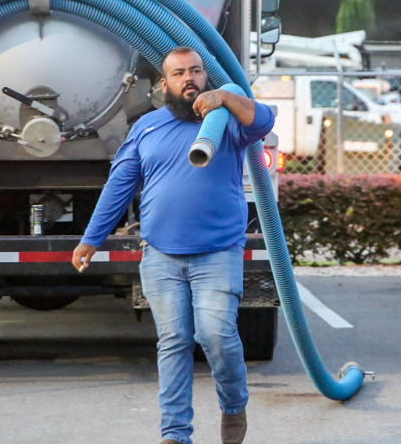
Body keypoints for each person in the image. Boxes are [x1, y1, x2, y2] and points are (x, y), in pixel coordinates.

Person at [71, 46, 275, 444]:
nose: (189, 79)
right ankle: (175, 434)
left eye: (196, 71)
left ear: (205, 77)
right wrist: (91, 239)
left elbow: (265, 119)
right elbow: (120, 185)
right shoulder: (146, 127)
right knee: (175, 341)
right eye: (180, 73)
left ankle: (233, 406)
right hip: (161, 255)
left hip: (217, 253)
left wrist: (228, 99)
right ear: (165, 85)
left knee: (216, 335)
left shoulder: (227, 122)